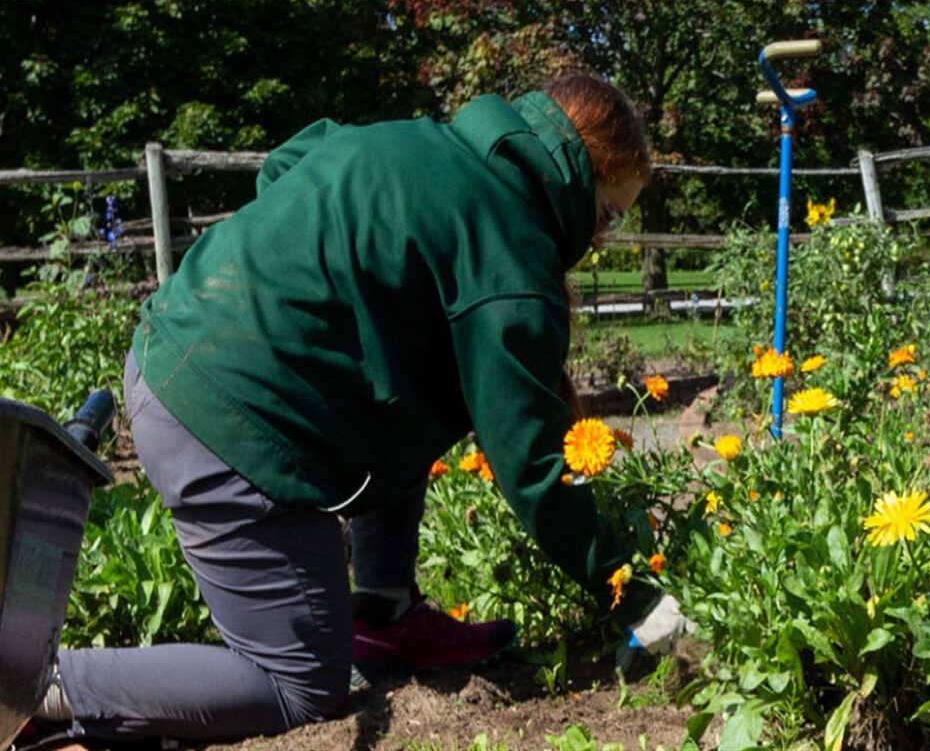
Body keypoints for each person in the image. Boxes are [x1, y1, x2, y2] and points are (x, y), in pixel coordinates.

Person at [23, 72, 691, 745]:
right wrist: (632, 592)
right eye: (608, 213)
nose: (602, 239)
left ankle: (385, 609)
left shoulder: (417, 142)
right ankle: (35, 685)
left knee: (404, 390)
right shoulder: (511, 261)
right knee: (297, 685)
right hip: (224, 424)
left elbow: (290, 161)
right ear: (576, 177)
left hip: (171, 349)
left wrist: (325, 292)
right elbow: (531, 468)